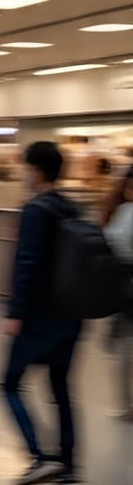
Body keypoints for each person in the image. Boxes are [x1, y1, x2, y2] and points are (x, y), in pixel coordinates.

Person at [0, 141, 85, 485]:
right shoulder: (73, 209)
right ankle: (69, 466)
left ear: (34, 170)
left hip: (39, 316)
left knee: (9, 383)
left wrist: (15, 312)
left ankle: (40, 457)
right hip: (71, 314)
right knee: (61, 388)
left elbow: (28, 265)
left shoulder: (35, 210)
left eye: (25, 167)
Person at [104, 168, 133, 422]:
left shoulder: (126, 212)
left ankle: (127, 406)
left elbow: (114, 244)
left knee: (125, 350)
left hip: (127, 289)